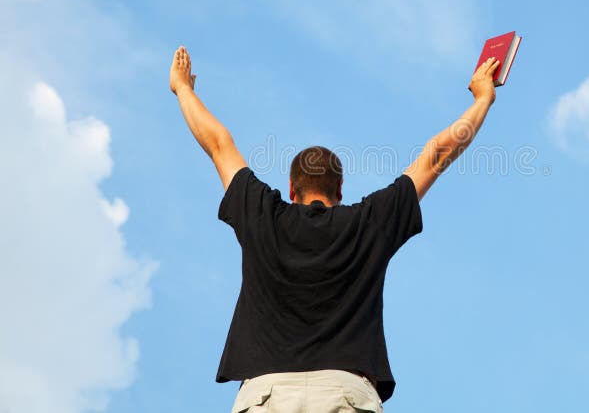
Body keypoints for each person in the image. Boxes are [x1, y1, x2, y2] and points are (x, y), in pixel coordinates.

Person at [170, 46, 501, 413]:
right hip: (347, 394)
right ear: (340, 191)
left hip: (267, 395)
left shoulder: (260, 211)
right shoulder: (370, 221)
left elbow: (218, 143)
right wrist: (482, 99)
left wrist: (184, 90)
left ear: (292, 190)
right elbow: (437, 154)